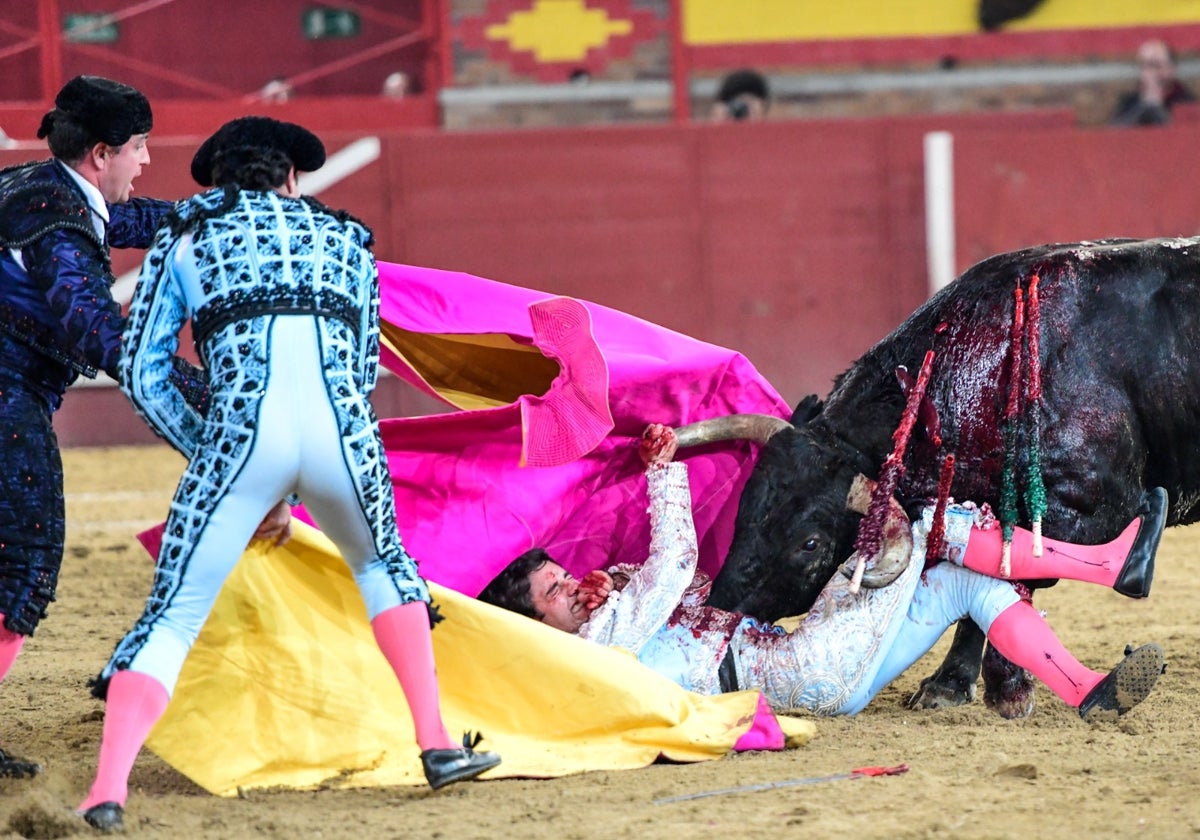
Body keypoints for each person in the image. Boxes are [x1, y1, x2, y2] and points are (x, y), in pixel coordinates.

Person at [76, 116, 499, 832]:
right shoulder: (348, 242)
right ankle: (434, 743)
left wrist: (222, 460)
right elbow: (361, 369)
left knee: (175, 614)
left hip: (242, 436)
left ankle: (106, 791)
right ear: (293, 178)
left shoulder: (184, 239)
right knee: (384, 568)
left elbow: (144, 375)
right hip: (344, 437)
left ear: (217, 183)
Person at [480, 424, 1166, 722]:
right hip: (802, 663)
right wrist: (663, 473)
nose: (573, 586)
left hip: (817, 676)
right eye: (555, 592)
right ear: (537, 624)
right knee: (921, 520)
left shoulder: (606, 624)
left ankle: (1085, 691)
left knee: (964, 584)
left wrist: (619, 581)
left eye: (563, 577)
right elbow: (680, 567)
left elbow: (679, 594)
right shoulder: (593, 650)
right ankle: (1108, 563)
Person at [0, 75, 208, 780]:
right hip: (4, 396)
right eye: (139, 147)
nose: (145, 160)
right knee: (25, 554)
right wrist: (197, 387)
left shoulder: (38, 189)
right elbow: (96, 333)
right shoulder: (58, 221)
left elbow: (127, 220)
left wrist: (213, 212)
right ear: (99, 153)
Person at [1110, 39, 1196, 126]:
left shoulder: (1186, 102)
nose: (1149, 72)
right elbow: (1114, 133)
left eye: (1155, 65)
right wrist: (1144, 106)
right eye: (1143, 65)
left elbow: (1185, 135)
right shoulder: (1129, 101)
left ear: (1171, 68)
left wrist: (1156, 107)